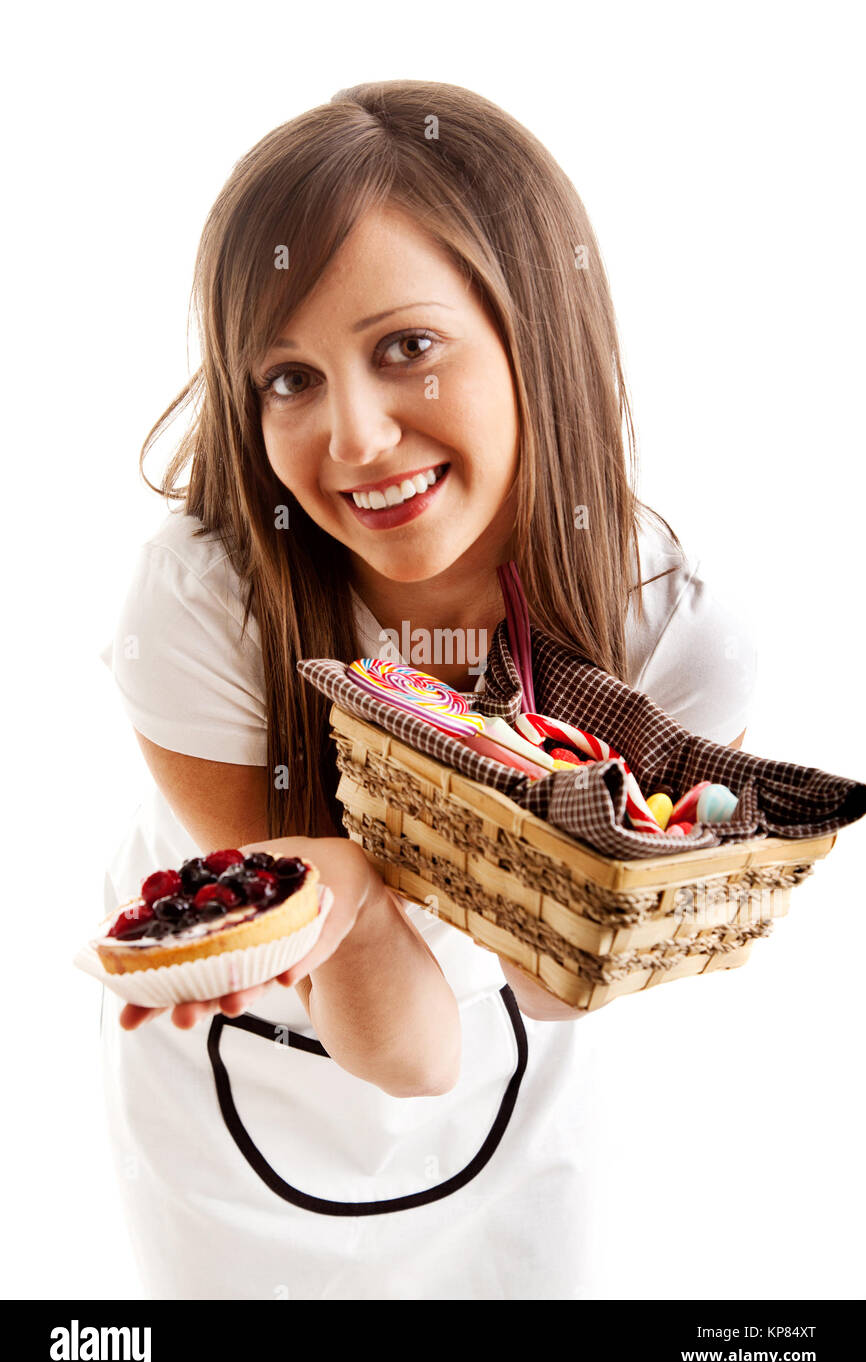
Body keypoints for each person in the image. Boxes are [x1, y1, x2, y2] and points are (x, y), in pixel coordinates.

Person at [98, 79, 757, 1300]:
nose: (349, 437)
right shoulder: (201, 609)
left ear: (534, 331)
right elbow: (397, 1049)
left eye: (404, 347)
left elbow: (547, 995)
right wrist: (330, 892)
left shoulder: (664, 629)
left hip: (505, 1068)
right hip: (237, 1081)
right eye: (288, 377)